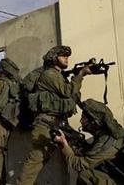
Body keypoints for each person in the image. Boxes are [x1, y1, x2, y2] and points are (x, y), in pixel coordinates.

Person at [17, 45, 91, 184]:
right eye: (63, 56)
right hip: (46, 124)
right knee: (35, 161)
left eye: (67, 56)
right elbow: (67, 91)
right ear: (53, 58)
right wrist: (80, 75)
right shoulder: (49, 74)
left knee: (78, 150)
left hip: (58, 123)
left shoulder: (59, 76)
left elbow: (71, 95)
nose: (66, 58)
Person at [54, 99, 124, 185]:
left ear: (94, 122)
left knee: (85, 175)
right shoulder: (112, 132)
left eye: (84, 119)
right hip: (119, 175)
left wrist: (64, 144)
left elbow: (78, 164)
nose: (81, 121)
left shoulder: (105, 143)